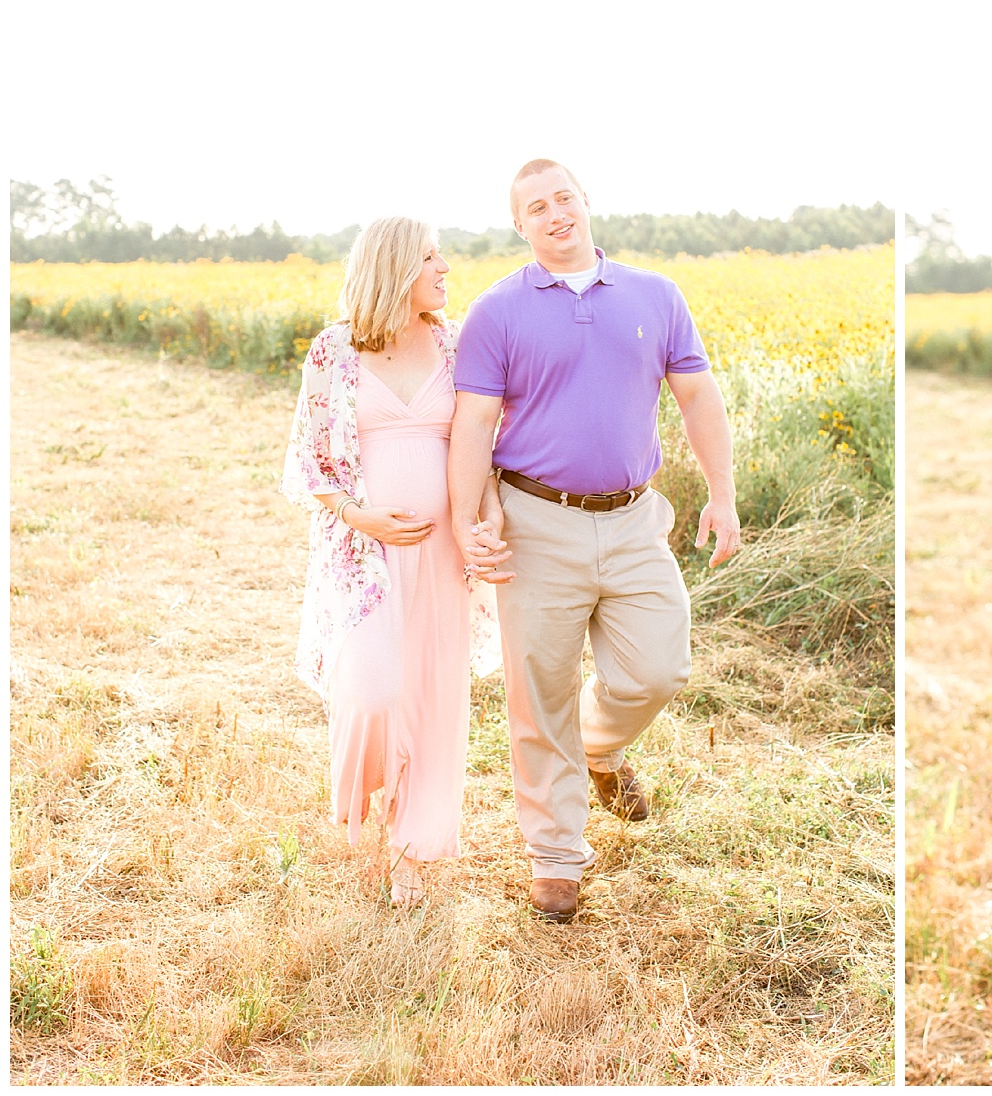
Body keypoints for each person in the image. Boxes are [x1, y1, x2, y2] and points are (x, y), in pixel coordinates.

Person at [447, 158, 742, 923]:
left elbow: (697, 396)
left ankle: (602, 748)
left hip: (636, 517)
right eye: (535, 208)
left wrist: (722, 495)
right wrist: (468, 523)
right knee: (537, 689)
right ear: (520, 226)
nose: (554, 214)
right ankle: (555, 857)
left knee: (660, 668)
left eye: (563, 198)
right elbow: (474, 426)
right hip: (535, 521)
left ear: (585, 203)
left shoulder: (655, 295)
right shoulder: (496, 312)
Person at [281, 217, 505, 908]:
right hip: (363, 556)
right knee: (375, 693)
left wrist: (489, 512)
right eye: (432, 257)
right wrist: (360, 516)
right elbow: (309, 464)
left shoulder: (456, 342)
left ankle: (410, 850)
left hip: (442, 555)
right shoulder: (334, 351)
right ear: (397, 268)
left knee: (434, 699)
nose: (445, 268)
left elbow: (483, 443)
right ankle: (366, 798)